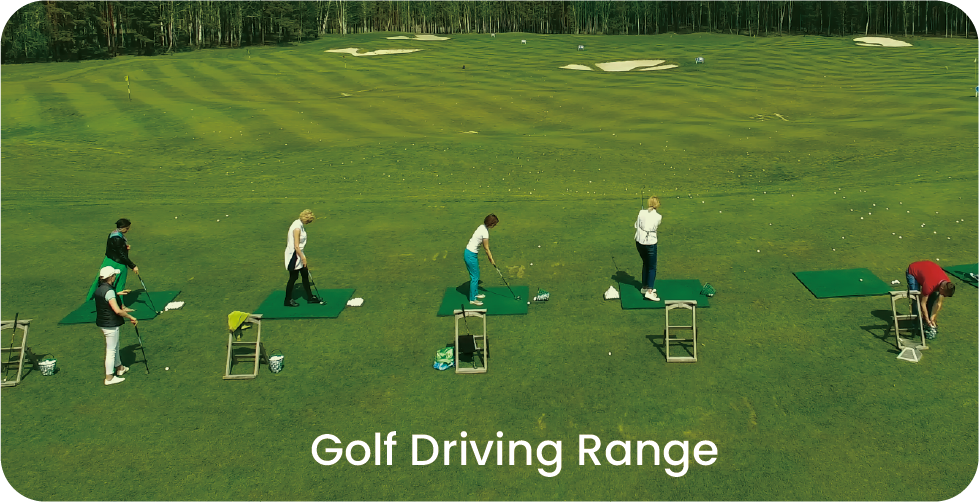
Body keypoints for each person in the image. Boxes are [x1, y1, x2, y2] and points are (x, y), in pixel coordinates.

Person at [94, 266, 138, 386]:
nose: (115, 277)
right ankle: (109, 378)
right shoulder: (109, 291)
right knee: (111, 350)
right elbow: (118, 311)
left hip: (103, 323)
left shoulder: (99, 289)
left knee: (115, 346)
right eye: (114, 275)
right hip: (110, 324)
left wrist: (117, 294)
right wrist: (131, 317)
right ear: (110, 277)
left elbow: (106, 297)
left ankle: (120, 368)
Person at [87, 218, 140, 300]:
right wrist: (133, 266)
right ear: (122, 227)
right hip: (117, 263)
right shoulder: (117, 238)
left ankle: (94, 299)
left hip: (109, 260)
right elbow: (121, 255)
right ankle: (116, 303)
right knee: (118, 284)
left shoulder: (113, 234)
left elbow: (113, 248)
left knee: (101, 280)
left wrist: (125, 247)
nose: (128, 230)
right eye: (127, 228)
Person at [906, 260, 955, 340]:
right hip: (913, 271)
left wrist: (932, 318)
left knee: (933, 298)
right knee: (916, 299)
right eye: (944, 294)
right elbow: (922, 303)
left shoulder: (946, 284)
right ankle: (915, 324)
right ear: (942, 288)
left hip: (928, 272)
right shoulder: (930, 284)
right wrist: (927, 319)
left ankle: (926, 323)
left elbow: (938, 303)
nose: (943, 296)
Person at [284, 209, 322, 307]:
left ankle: (310, 297)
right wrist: (303, 258)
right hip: (294, 256)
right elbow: (296, 246)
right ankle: (287, 300)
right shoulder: (297, 228)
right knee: (293, 277)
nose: (308, 223)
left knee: (305, 274)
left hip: (299, 253)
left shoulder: (299, 223)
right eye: (309, 221)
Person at [464, 214, 498, 306]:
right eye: (494, 224)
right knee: (474, 277)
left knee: (476, 275)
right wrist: (491, 260)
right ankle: (472, 299)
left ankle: (475, 293)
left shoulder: (482, 227)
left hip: (470, 254)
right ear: (491, 224)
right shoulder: (485, 233)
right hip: (470, 255)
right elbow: (486, 248)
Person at [635, 196, 663, 301]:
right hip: (650, 243)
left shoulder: (641, 212)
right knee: (652, 267)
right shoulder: (658, 217)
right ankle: (649, 292)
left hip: (639, 242)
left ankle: (645, 287)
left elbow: (636, 225)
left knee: (646, 263)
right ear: (657, 205)